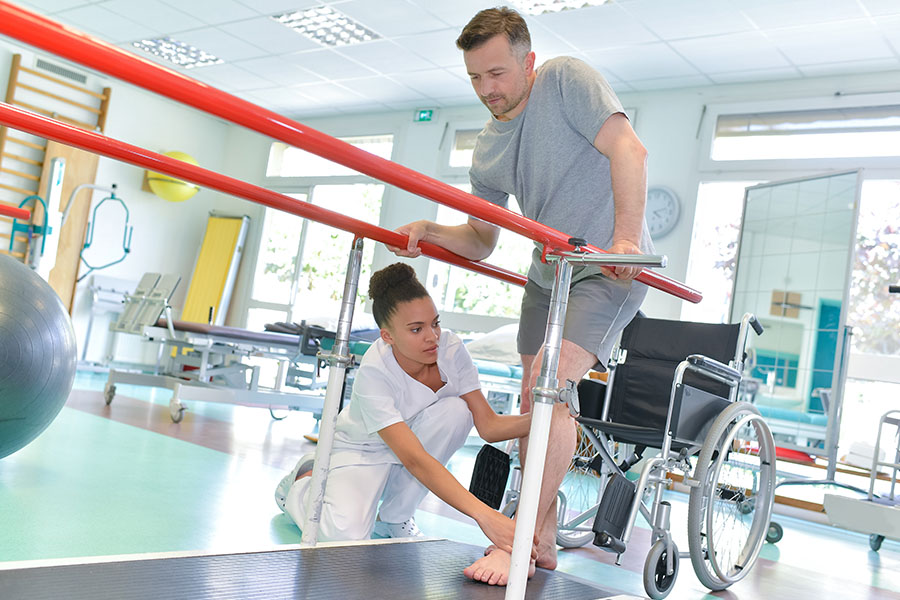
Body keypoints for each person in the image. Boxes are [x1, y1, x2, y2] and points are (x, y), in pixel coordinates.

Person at [387, 6, 653, 585]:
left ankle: (520, 535)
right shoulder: (487, 146)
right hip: (547, 273)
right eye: (476, 78)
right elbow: (481, 240)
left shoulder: (565, 80)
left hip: (604, 267)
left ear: (528, 63)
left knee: (549, 389)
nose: (489, 89)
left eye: (499, 73)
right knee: (540, 402)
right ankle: (548, 535)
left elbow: (630, 151)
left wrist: (625, 244)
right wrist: (432, 232)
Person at [275, 262, 535, 576]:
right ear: (388, 336)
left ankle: (394, 518)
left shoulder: (451, 349)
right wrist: (485, 515)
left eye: (435, 324)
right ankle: (299, 485)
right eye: (416, 329)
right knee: (344, 536)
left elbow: (489, 425)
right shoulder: (375, 371)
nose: (432, 337)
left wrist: (546, 419)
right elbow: (415, 459)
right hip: (362, 449)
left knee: (457, 410)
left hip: (414, 442)